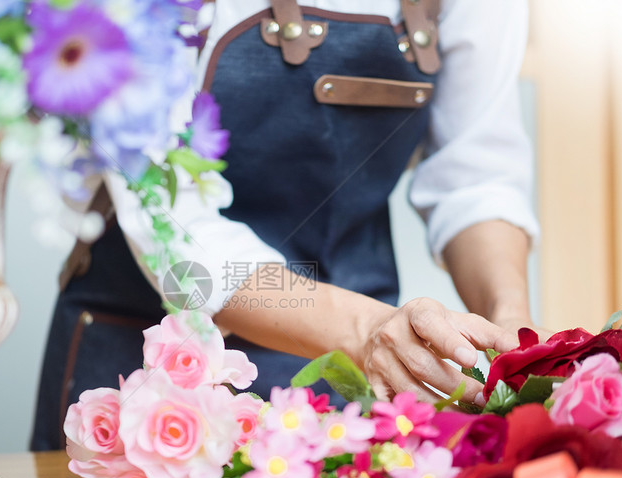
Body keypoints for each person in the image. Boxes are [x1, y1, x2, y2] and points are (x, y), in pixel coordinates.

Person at [30, 0, 540, 451]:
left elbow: (475, 177)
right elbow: (180, 229)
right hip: (151, 372)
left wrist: (513, 335)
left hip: (349, 383)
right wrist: (365, 330)